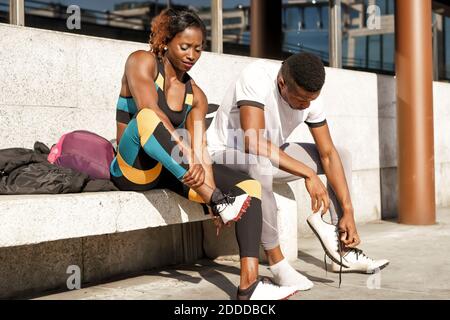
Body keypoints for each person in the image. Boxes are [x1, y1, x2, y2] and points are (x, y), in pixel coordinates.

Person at [109, 8, 298, 300]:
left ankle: (249, 285)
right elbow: (151, 109)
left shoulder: (196, 95)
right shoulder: (141, 61)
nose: (191, 55)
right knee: (147, 118)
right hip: (132, 167)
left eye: (198, 49)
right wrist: (195, 166)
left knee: (249, 187)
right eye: (184, 46)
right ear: (165, 41)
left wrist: (207, 188)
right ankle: (218, 199)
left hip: (171, 169)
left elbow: (201, 150)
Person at [207, 52, 389, 290]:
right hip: (224, 155)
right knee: (260, 165)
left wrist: (348, 211)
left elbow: (328, 154)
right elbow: (253, 142)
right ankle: (278, 266)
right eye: (301, 100)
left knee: (340, 155)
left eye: (311, 100)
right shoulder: (256, 76)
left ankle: (341, 249)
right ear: (282, 83)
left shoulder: (311, 97)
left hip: (267, 153)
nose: (306, 106)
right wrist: (308, 173)